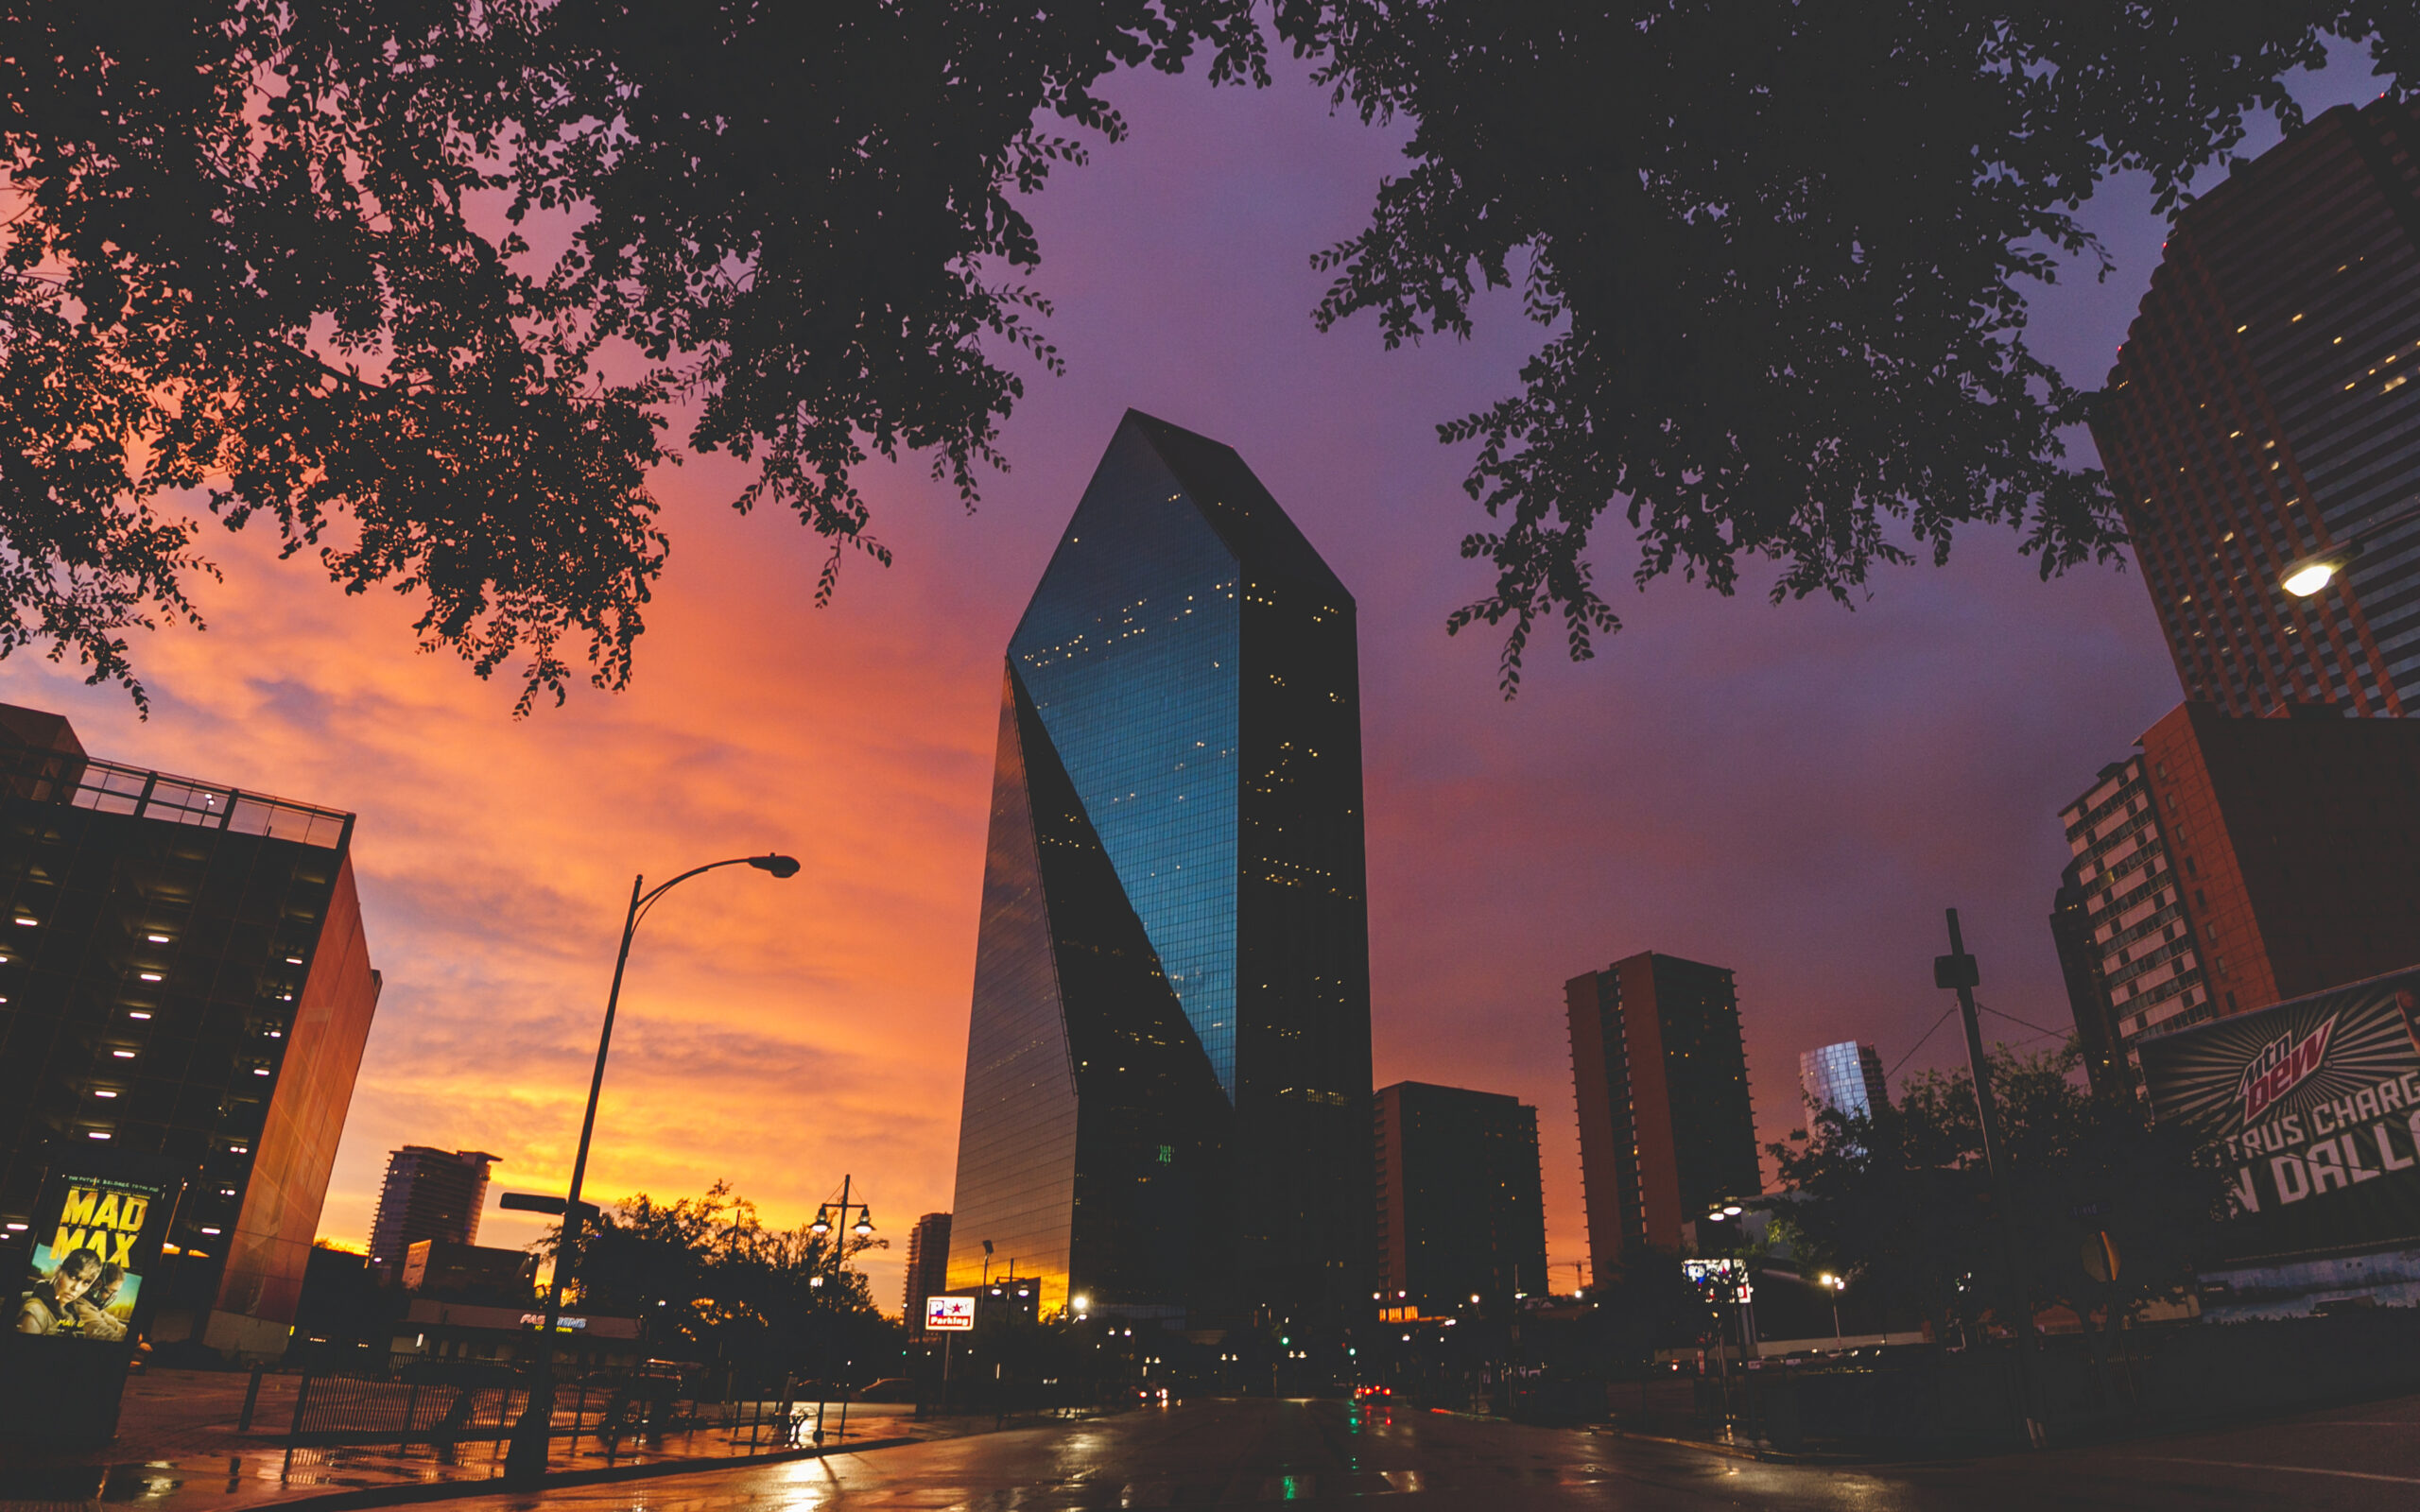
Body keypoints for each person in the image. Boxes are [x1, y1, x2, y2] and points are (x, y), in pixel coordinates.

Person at [14, 1247, 102, 1334]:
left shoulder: (71, 1311)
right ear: (58, 1271)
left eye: (86, 1283)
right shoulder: (36, 1312)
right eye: (73, 1277)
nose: (76, 1288)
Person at [74, 1263, 129, 1341]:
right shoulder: (80, 1306)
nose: (111, 1297)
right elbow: (103, 1333)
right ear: (98, 1284)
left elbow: (113, 1323)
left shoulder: (92, 1305)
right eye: (111, 1291)